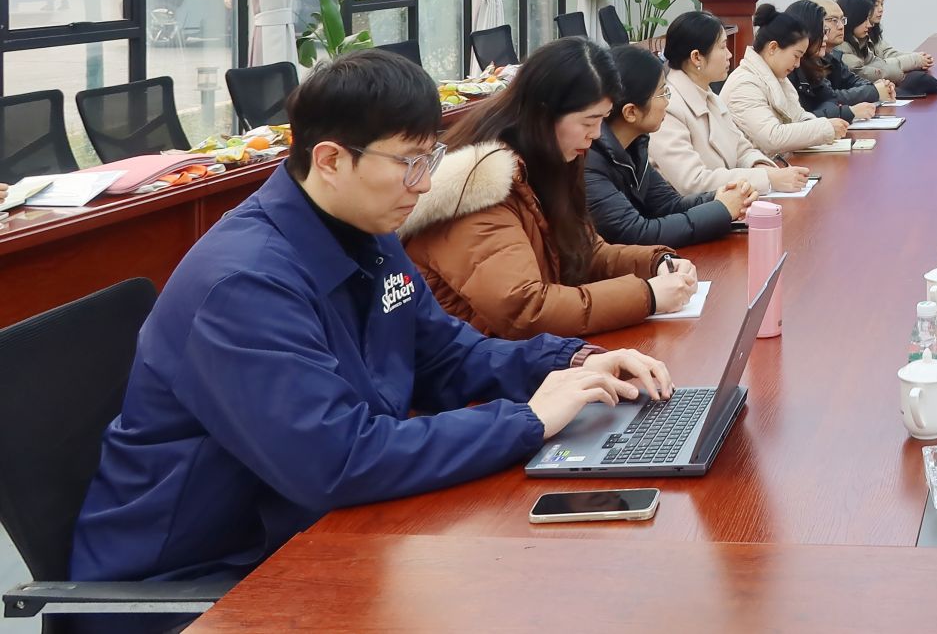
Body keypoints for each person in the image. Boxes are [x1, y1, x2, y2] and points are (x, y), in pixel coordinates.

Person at [69, 49, 672, 591]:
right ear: (331, 159)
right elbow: (337, 460)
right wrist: (528, 421)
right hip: (205, 579)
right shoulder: (242, 285)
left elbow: (446, 356)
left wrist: (574, 363)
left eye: (430, 157)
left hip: (310, 530)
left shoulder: (366, 230)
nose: (426, 184)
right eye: (409, 162)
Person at [401, 37, 698, 339]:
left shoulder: (548, 159)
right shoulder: (477, 186)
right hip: (479, 359)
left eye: (602, 120)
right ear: (545, 113)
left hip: (523, 353)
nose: (596, 135)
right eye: (588, 122)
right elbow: (525, 309)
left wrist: (655, 263)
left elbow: (583, 252)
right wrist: (647, 295)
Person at [584, 46, 753, 249]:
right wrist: (721, 209)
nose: (667, 102)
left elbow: (668, 205)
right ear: (631, 112)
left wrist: (717, 197)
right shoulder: (589, 161)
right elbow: (636, 233)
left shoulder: (634, 146)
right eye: (663, 93)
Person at [652, 10, 812, 197]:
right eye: (722, 47)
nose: (729, 54)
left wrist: (763, 168)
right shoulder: (668, 107)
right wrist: (767, 178)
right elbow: (693, 182)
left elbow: (741, 149)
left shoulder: (709, 96)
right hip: (692, 210)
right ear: (696, 57)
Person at [723, 7, 849, 158]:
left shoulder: (776, 76)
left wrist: (825, 126)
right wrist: (825, 128)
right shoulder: (744, 84)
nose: (797, 64)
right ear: (773, 47)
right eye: (796, 56)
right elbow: (772, 138)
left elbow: (798, 116)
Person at [790, 0, 890, 119]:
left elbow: (836, 93)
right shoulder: (794, 67)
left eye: (842, 20)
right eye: (833, 20)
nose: (841, 26)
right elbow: (826, 101)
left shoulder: (829, 56)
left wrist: (877, 87)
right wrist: (874, 91)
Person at [848, 0, 937, 96]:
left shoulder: (870, 31)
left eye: (882, 4)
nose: (881, 9)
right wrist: (913, 62)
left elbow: (886, 54)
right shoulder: (845, 42)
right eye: (876, 5)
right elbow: (867, 70)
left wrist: (917, 58)